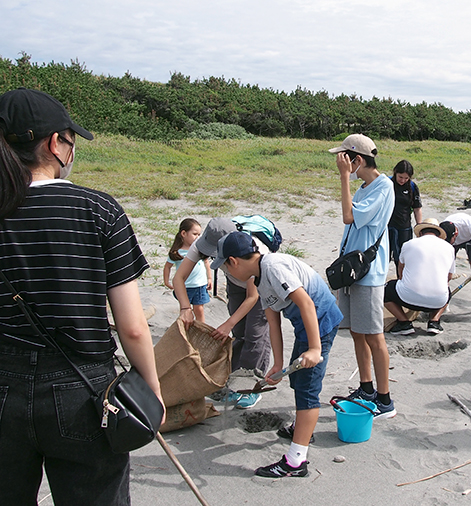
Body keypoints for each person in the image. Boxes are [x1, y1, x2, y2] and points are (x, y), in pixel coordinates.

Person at [0, 88, 163, 504]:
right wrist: (152, 391)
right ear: (57, 143)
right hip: (83, 390)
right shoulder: (98, 209)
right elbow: (131, 326)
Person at [213, 232, 342, 478]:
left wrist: (314, 348)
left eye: (225, 268)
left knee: (307, 387)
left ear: (234, 261)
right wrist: (278, 364)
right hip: (305, 327)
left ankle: (296, 462)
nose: (228, 275)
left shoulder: (273, 267)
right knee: (297, 378)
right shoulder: (259, 279)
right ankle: (301, 427)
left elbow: (305, 303)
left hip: (320, 320)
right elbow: (273, 321)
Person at [330, 134, 396, 418]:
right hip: (352, 270)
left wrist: (344, 177)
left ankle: (385, 399)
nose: (343, 164)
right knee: (358, 332)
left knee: (374, 335)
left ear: (357, 160)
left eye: (346, 159)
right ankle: (366, 388)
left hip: (369, 273)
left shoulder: (384, 187)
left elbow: (348, 216)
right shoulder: (364, 188)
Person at [175, 217, 271, 409]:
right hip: (235, 284)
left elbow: (252, 297)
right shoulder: (201, 244)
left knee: (255, 334)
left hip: (260, 289)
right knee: (239, 334)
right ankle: (234, 379)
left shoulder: (254, 251)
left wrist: (228, 323)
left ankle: (251, 386)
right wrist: (185, 308)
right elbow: (179, 277)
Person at [385, 219, 455, 335]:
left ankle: (404, 323)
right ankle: (434, 321)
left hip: (407, 299)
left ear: (421, 233)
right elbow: (449, 276)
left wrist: (404, 284)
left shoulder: (408, 244)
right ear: (438, 234)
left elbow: (401, 268)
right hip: (437, 302)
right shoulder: (449, 248)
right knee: (447, 292)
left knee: (386, 290)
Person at [163, 218, 211, 324]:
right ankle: (185, 328)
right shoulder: (177, 252)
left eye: (199, 235)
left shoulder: (200, 249)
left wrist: (209, 278)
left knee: (199, 310)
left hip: (200, 285)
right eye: (195, 234)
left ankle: (201, 328)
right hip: (185, 286)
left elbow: (206, 262)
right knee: (185, 309)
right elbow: (167, 267)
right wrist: (166, 281)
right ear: (184, 233)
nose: (197, 237)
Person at [387, 160, 423, 271]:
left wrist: (419, 227)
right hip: (387, 226)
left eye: (406, 178)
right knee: (384, 257)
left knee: (402, 258)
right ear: (395, 173)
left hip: (404, 227)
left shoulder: (412, 187)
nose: (403, 180)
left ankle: (401, 282)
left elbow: (417, 209)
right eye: (400, 177)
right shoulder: (387, 183)